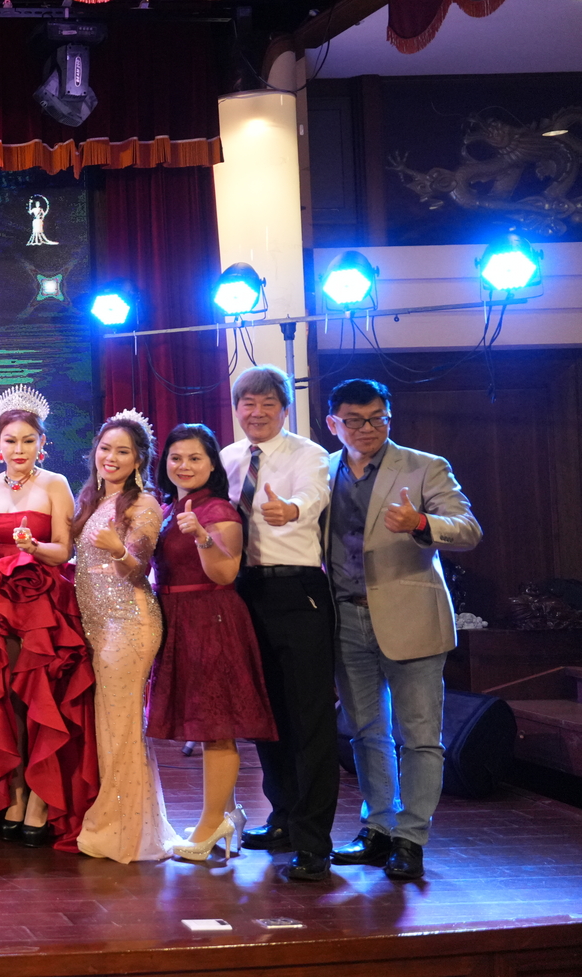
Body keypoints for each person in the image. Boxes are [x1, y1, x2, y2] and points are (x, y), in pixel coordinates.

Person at [323, 379, 482, 882]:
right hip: (345, 617)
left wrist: (420, 523)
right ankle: (378, 828)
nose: (368, 429)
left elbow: (468, 528)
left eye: (378, 418)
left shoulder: (424, 465)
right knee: (366, 733)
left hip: (411, 614)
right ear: (333, 424)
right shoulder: (322, 470)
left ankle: (411, 838)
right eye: (355, 420)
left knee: (420, 737)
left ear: (389, 417)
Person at [0, 387, 97, 851]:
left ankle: (41, 799)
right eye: (11, 441)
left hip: (41, 607)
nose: (19, 450)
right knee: (4, 702)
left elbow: (65, 550)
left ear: (42, 443)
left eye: (28, 440)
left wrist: (34, 548)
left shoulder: (55, 484)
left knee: (42, 701)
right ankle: (14, 792)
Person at [221, 365, 338, 882]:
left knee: (309, 718)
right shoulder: (227, 457)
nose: (258, 412)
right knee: (265, 713)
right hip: (244, 591)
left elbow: (313, 497)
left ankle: (314, 842)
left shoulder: (309, 454)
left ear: (285, 409)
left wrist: (289, 510)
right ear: (236, 408)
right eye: (248, 403)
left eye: (269, 403)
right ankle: (284, 816)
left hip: (298, 591)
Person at [149, 423, 278, 861]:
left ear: (212, 465)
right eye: (176, 457)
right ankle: (229, 815)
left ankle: (209, 826)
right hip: (179, 618)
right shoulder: (169, 507)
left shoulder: (218, 509)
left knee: (217, 727)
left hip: (211, 618)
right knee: (207, 726)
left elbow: (225, 573)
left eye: (195, 458)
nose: (183, 465)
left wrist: (202, 536)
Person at [69, 411, 182, 863]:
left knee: (121, 729)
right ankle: (127, 822)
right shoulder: (93, 499)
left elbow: (138, 568)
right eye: (105, 449)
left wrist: (119, 550)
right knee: (112, 726)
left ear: (138, 460)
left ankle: (124, 832)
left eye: (122, 451)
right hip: (98, 626)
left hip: (129, 624)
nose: (111, 458)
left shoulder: (144, 504)